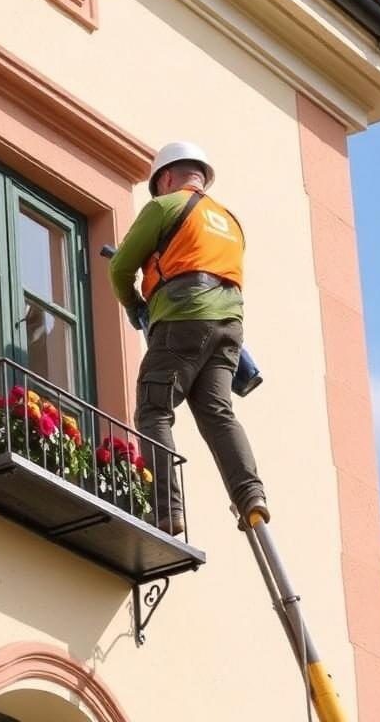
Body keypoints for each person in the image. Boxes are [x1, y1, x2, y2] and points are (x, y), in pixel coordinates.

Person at [108, 141, 267, 535]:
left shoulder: (165, 207)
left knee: (153, 410)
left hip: (182, 319)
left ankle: (167, 510)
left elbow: (121, 269)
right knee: (217, 413)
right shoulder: (229, 220)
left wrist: (134, 305)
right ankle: (251, 495)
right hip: (229, 328)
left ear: (165, 177)